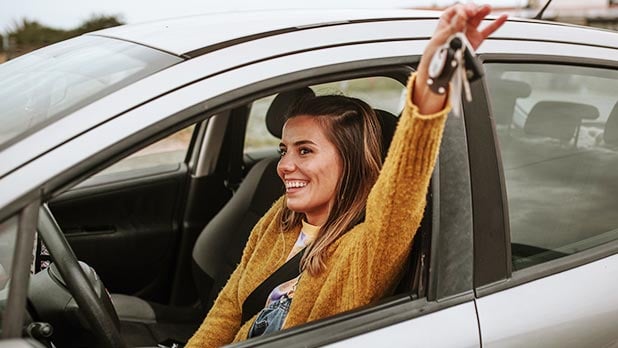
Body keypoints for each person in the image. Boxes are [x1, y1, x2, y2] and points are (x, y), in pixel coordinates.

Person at [187, 3, 507, 347]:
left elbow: (400, 194)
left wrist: (430, 85)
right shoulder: (278, 219)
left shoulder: (365, 250)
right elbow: (228, 310)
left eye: (305, 150)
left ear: (350, 161)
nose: (283, 165)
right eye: (284, 150)